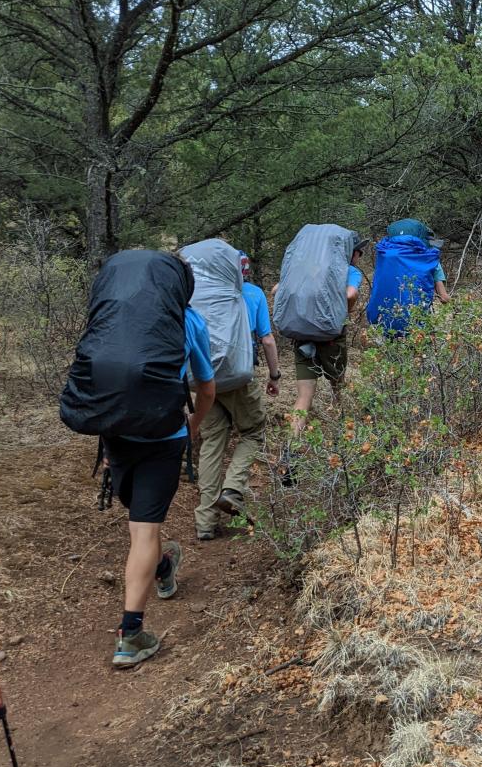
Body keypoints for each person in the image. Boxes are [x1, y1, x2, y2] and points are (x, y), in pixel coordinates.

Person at [106, 260, 216, 668]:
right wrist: (193, 425)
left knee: (140, 523)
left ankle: (163, 564)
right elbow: (206, 386)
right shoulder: (188, 321)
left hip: (115, 433)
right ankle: (131, 636)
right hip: (164, 436)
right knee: (143, 530)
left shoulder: (111, 315)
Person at [192, 252, 281, 540]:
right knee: (254, 431)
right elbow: (266, 339)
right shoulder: (252, 293)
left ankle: (205, 522)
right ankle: (232, 490)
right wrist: (274, 375)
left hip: (203, 379)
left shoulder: (196, 295)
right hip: (238, 377)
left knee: (212, 442)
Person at [273, 237, 367, 434]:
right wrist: (344, 313)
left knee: (303, 398)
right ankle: (343, 437)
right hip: (331, 337)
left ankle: (291, 447)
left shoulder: (309, 268)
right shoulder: (350, 271)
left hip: (302, 336)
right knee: (338, 388)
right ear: (350, 253)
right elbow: (350, 294)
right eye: (359, 251)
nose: (360, 255)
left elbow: (276, 290)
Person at [385, 219, 451, 304]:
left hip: (389, 308)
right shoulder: (432, 261)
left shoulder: (387, 258)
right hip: (418, 310)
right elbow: (444, 297)